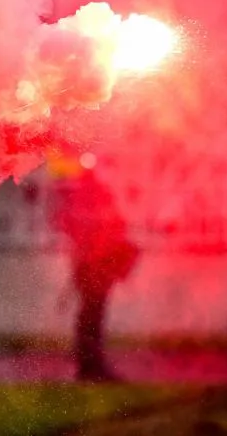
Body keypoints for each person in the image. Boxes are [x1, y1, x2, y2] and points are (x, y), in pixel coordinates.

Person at [46, 150, 140, 382]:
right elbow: (73, 224)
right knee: (90, 316)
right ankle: (89, 367)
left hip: (97, 263)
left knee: (92, 316)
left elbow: (114, 225)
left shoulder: (98, 191)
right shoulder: (87, 192)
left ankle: (91, 366)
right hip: (90, 264)